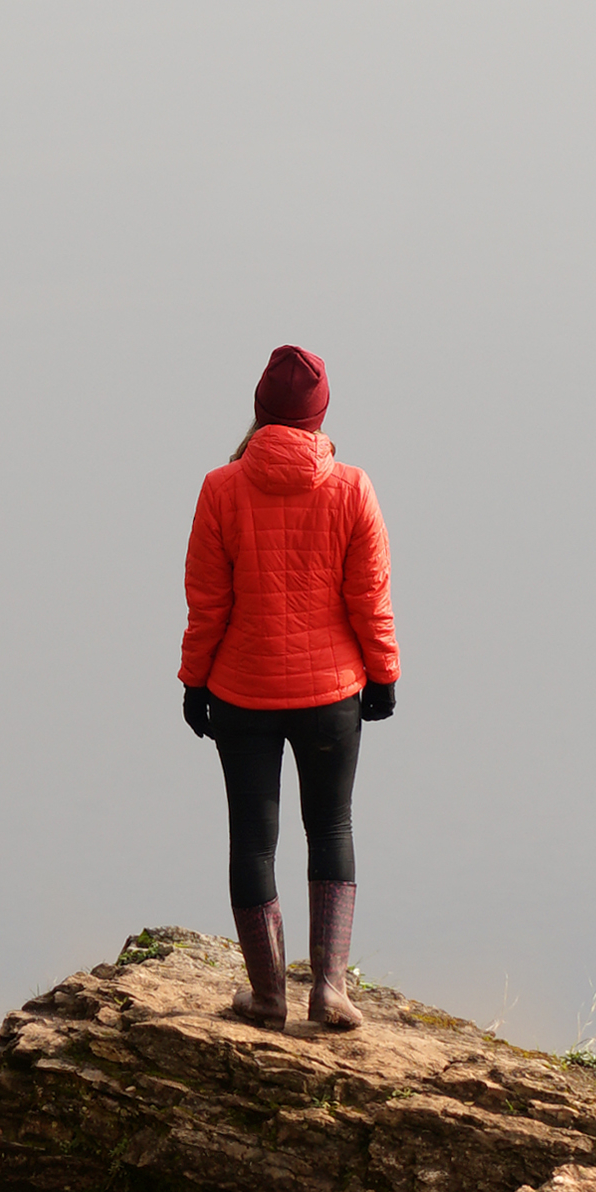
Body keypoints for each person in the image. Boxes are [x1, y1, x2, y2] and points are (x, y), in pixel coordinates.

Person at [177, 341, 399, 1030]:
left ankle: (268, 996)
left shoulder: (220, 487)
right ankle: (328, 990)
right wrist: (384, 671)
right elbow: (370, 596)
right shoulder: (352, 486)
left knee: (253, 840)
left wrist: (193, 681)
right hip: (331, 692)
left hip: (241, 689)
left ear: (259, 409)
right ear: (319, 414)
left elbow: (207, 602)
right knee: (330, 825)